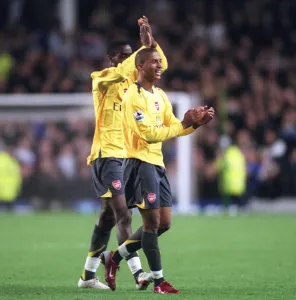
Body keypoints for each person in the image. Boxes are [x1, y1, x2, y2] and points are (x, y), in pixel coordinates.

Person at [102, 48, 215, 294]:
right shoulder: (133, 95)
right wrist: (184, 124)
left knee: (164, 224)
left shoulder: (160, 95)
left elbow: (173, 126)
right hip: (140, 164)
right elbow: (149, 134)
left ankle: (113, 258)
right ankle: (159, 282)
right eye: (154, 62)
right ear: (140, 66)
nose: (159, 65)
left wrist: (193, 125)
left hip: (157, 164)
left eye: (160, 61)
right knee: (151, 224)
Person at [78, 17, 168, 290]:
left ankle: (87, 276)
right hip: (107, 155)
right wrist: (141, 51)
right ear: (111, 58)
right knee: (124, 214)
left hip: (126, 156)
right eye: (125, 56)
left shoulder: (133, 81)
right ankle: (138, 273)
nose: (131, 59)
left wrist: (151, 43)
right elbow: (129, 67)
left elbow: (158, 62)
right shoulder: (102, 79)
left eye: (132, 55)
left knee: (107, 216)